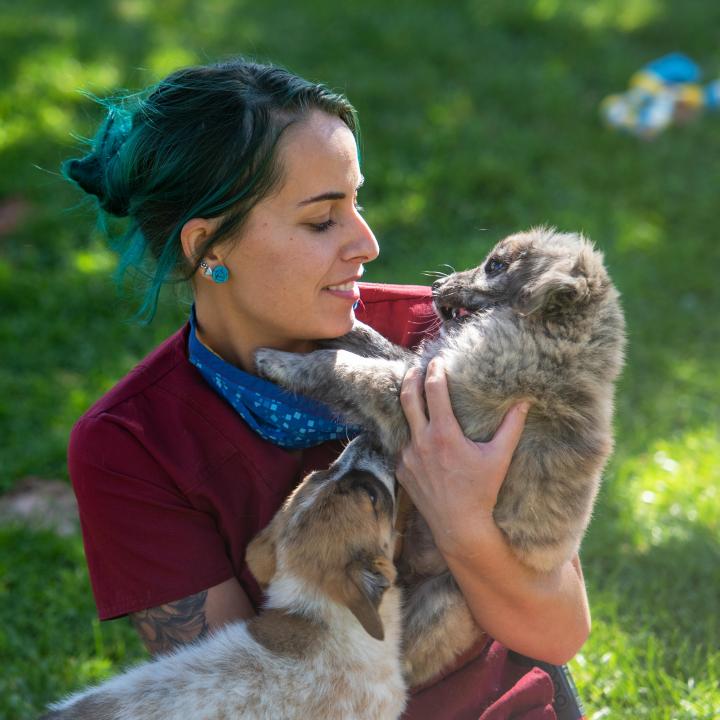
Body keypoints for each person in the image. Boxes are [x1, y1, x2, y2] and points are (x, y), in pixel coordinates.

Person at [64, 59, 590, 718]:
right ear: (208, 248)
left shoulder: (455, 343)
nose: (366, 243)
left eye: (356, 201)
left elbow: (559, 630)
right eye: (322, 220)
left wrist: (462, 519)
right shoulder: (131, 445)